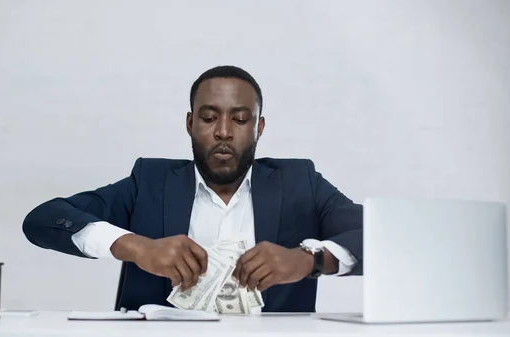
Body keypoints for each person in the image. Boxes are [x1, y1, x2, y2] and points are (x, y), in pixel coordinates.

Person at [22, 65, 363, 312]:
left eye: (241, 120)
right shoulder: (150, 182)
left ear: (259, 127)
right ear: (190, 123)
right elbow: (43, 219)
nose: (224, 132)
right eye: (209, 117)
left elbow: (383, 234)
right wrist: (136, 247)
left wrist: (310, 260)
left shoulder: (299, 182)